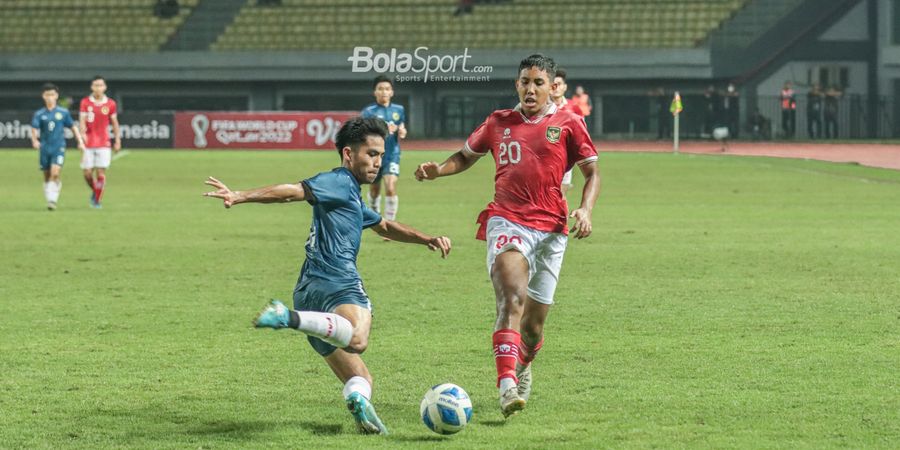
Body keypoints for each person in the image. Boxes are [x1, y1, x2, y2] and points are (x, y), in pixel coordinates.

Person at [203, 117, 451, 435]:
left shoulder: (350, 195)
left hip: (308, 289)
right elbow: (293, 191)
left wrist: (426, 239)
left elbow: (385, 226)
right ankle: (287, 317)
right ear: (349, 154)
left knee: (360, 378)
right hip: (336, 280)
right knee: (359, 338)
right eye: (371, 154)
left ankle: (362, 411)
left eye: (381, 155)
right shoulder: (337, 182)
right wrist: (241, 195)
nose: (378, 162)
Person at [414, 54, 600, 418]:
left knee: (532, 327)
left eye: (538, 83)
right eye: (524, 82)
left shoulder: (569, 122)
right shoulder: (498, 121)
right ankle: (506, 387)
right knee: (511, 298)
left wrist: (586, 209)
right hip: (507, 220)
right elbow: (466, 156)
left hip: (551, 231)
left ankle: (524, 364)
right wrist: (438, 171)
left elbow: (592, 172)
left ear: (551, 87)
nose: (530, 89)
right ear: (517, 84)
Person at [31, 83, 85, 211]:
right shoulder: (39, 114)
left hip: (58, 147)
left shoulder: (63, 112)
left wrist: (80, 141)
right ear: (43, 96)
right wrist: (35, 140)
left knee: (55, 173)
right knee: (47, 175)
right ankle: (52, 191)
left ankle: (52, 200)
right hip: (45, 148)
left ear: (56, 96)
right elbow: (34, 128)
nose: (50, 97)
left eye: (52, 94)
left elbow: (72, 127)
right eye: (47, 95)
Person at [361, 75, 407, 223]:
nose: (384, 92)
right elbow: (364, 133)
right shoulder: (368, 112)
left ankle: (390, 224)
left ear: (392, 92)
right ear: (375, 92)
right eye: (380, 89)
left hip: (392, 154)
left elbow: (402, 127)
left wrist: (402, 131)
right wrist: (383, 128)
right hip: (374, 156)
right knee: (374, 191)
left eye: (387, 89)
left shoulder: (399, 110)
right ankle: (376, 220)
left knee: (391, 186)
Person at [79, 76, 121, 209]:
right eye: (95, 85)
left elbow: (114, 123)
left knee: (101, 173)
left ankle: (97, 200)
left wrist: (118, 140)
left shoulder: (110, 104)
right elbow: (82, 122)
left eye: (100, 85)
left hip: (104, 142)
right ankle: (96, 191)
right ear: (92, 87)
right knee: (87, 173)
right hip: (89, 142)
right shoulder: (85, 102)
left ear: (105, 87)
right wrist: (82, 136)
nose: (98, 88)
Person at [551, 68, 583, 194]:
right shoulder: (540, 108)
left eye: (559, 84)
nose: (556, 87)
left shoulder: (574, 108)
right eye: (553, 84)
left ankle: (561, 214)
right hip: (543, 157)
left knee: (560, 195)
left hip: (565, 158)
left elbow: (580, 133)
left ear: (565, 87)